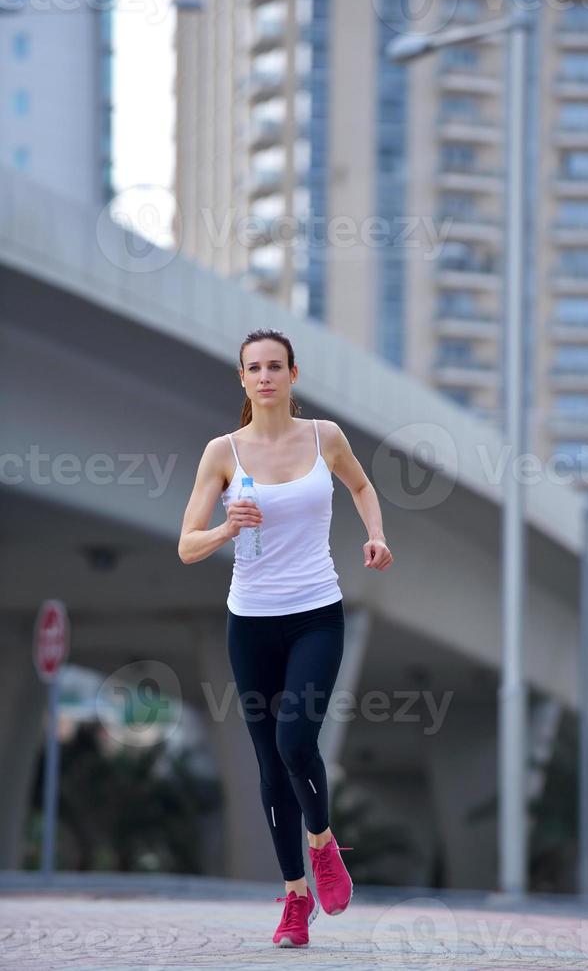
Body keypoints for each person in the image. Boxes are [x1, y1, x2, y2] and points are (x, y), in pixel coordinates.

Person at [178, 327, 394, 947]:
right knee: (269, 766)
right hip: (249, 623)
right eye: (255, 367)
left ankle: (323, 843)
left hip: (316, 614)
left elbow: (361, 485)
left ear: (293, 375)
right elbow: (187, 545)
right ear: (242, 379)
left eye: (276, 366)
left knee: (297, 739)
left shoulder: (325, 437)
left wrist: (376, 533)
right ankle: (296, 900)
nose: (266, 376)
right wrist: (224, 529)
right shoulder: (223, 452)